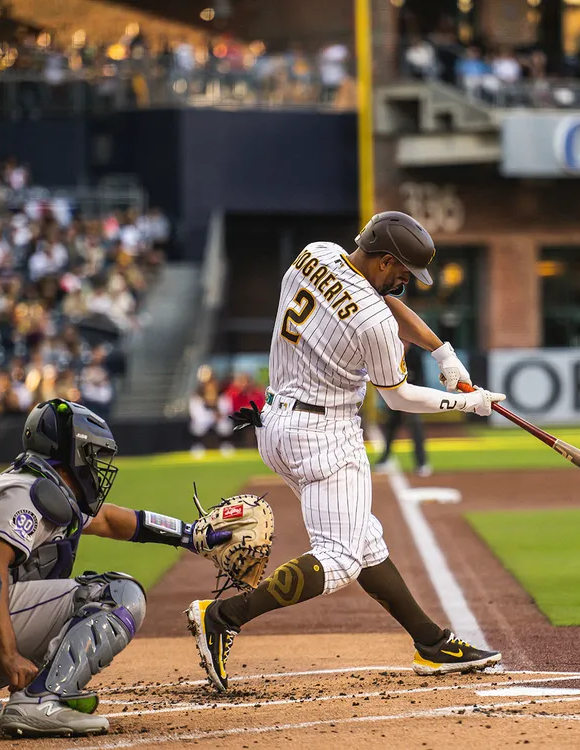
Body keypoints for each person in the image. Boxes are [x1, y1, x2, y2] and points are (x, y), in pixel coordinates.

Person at [188, 211, 504, 692]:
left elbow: (379, 303)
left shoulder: (317, 253)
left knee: (364, 540)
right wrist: (467, 402)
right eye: (402, 272)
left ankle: (431, 642)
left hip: (275, 423)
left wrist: (441, 352)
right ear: (383, 260)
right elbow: (397, 396)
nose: (406, 282)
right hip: (325, 436)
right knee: (340, 557)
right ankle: (224, 616)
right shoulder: (374, 322)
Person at [0, 399, 232, 738]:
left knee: (46, 580)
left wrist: (190, 534)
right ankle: (43, 699)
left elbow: (111, 520)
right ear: (73, 451)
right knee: (115, 596)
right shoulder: (30, 493)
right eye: (93, 454)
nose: (97, 466)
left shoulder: (27, 483)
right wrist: (9, 655)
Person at [378, 341, 431, 476]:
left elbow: (421, 381)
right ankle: (384, 459)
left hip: (412, 399)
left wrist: (410, 403)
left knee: (416, 428)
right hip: (395, 398)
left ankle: (422, 463)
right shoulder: (393, 354)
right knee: (391, 427)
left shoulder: (415, 355)